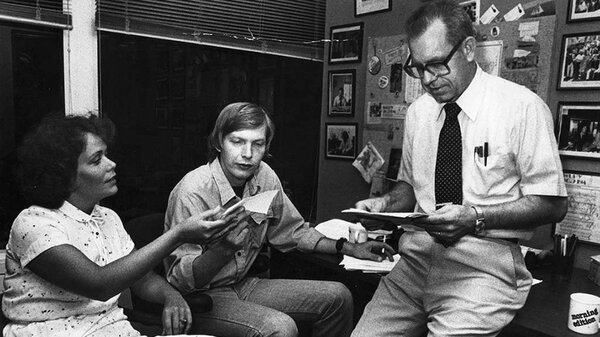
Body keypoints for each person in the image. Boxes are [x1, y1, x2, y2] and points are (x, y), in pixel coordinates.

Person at [350, 1, 567, 336]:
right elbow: (409, 190)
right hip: (414, 260)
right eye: (418, 68)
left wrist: (476, 216)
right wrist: (384, 205)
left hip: (482, 267)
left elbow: (552, 203)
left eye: (436, 65)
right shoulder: (419, 113)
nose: (427, 79)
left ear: (468, 49)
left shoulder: (522, 108)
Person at [164, 102, 395, 337]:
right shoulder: (193, 190)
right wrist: (223, 249)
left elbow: (293, 231)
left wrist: (349, 248)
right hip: (202, 298)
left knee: (339, 297)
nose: (247, 154)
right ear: (218, 143)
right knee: (280, 327)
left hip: (243, 284)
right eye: (237, 142)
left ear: (267, 146)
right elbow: (182, 281)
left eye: (258, 144)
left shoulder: (264, 176)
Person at [2, 114, 243, 337]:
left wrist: (171, 296)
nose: (111, 164)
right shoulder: (34, 224)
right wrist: (178, 235)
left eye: (106, 154)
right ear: (65, 176)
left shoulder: (107, 218)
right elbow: (100, 284)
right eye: (97, 160)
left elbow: (142, 279)